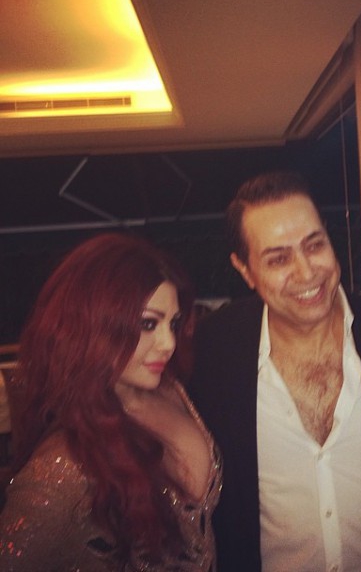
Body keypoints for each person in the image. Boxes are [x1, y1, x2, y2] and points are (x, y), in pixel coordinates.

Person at [188, 170, 361, 572]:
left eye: (314, 245)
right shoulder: (214, 350)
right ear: (245, 270)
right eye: (278, 258)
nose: (307, 271)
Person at [0, 233, 222, 571]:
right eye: (148, 324)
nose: (168, 342)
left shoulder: (171, 389)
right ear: (91, 325)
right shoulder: (61, 466)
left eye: (173, 323)